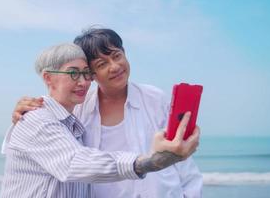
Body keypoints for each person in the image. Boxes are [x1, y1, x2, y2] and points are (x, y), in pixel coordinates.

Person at [11, 28, 203, 197]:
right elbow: (65, 152)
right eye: (102, 64)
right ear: (91, 74)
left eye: (117, 55)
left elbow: (185, 166)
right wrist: (24, 110)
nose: (115, 66)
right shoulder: (78, 106)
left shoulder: (154, 98)